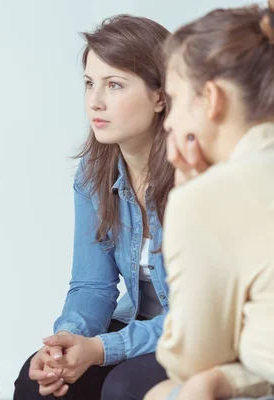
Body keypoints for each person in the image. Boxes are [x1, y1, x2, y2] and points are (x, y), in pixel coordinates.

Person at [14, 15, 175, 400]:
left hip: (198, 335)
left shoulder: (196, 178)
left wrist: (101, 350)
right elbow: (92, 285)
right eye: (89, 83)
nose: (94, 101)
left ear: (161, 96)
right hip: (138, 324)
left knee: (124, 388)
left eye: (114, 85)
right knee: (38, 383)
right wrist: (67, 340)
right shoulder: (93, 174)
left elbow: (199, 318)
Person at [143, 1, 274, 400]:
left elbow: (192, 360)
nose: (167, 121)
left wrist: (188, 195)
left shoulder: (205, 200)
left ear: (212, 99)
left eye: (176, 98)